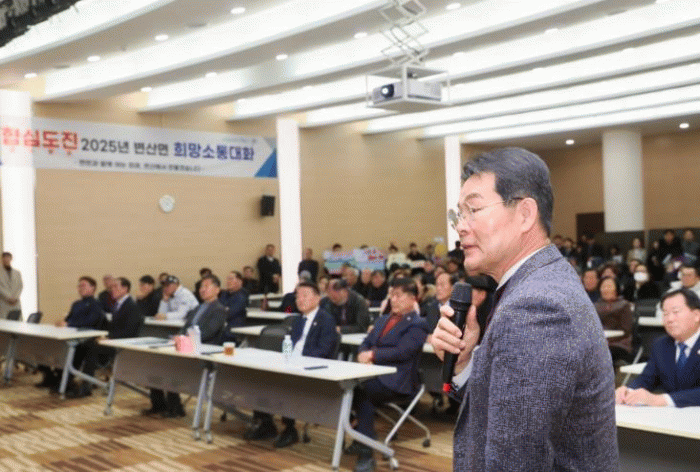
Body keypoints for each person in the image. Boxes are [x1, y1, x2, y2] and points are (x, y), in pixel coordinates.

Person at [430, 148, 618, 471]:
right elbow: (506, 416)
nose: (460, 227)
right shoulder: (535, 285)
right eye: (458, 214)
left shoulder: (537, 307)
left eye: (473, 209)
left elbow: (515, 460)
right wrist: (464, 363)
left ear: (525, 214)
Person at [244, 281, 338, 447]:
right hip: (291, 365)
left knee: (284, 385)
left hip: (310, 370)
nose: (300, 300)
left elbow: (323, 351)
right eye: (297, 296)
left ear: (318, 298)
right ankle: (266, 424)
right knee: (259, 378)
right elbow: (289, 345)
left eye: (305, 296)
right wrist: (284, 358)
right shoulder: (297, 320)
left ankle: (290, 430)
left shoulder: (326, 320)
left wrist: (297, 361)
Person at [349, 278, 429, 472]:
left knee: (362, 392)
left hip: (399, 381)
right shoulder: (383, 319)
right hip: (374, 375)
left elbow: (403, 352)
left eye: (398, 295)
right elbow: (366, 341)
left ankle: (366, 452)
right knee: (348, 388)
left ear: (412, 298)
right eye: (392, 295)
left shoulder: (418, 324)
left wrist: (373, 355)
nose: (393, 299)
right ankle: (364, 436)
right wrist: (362, 353)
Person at [145, 274, 227, 417]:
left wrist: (183, 338)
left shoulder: (219, 309)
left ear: (217, 290)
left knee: (169, 366)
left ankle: (175, 407)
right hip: (187, 347)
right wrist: (178, 336)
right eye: (201, 286)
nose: (202, 289)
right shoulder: (198, 308)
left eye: (206, 286)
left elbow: (207, 333)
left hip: (203, 352)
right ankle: (159, 405)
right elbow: (185, 327)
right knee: (155, 363)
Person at [616, 288, 700, 407]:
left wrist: (662, 400)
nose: (669, 319)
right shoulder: (662, 345)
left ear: (696, 315)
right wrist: (628, 391)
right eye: (665, 314)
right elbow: (647, 379)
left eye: (676, 312)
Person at [68, 277, 143, 398]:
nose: (112, 289)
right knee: (81, 345)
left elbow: (130, 332)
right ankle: (68, 380)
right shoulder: (119, 304)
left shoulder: (131, 306)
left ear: (125, 289)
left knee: (90, 347)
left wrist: (109, 338)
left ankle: (86, 386)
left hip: (121, 344)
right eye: (112, 287)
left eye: (116, 286)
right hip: (112, 341)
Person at [38, 276, 105, 389]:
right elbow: (68, 319)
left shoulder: (96, 304)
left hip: (84, 339)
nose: (80, 288)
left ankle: (64, 379)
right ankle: (50, 376)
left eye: (83, 285)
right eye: (79, 286)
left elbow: (90, 322)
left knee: (66, 349)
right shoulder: (76, 304)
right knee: (43, 345)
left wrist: (68, 324)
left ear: (92, 288)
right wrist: (62, 323)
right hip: (70, 336)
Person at [595, 276, 633, 362]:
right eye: (603, 286)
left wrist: (607, 340)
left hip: (619, 343)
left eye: (609, 286)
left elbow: (626, 330)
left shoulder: (624, 305)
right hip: (598, 342)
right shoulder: (594, 306)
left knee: (602, 352)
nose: (606, 289)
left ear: (616, 289)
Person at [219, 271, 248, 343]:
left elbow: (228, 314)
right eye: (228, 279)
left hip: (232, 331)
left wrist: (223, 309)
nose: (228, 281)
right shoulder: (224, 294)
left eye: (231, 279)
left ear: (240, 282)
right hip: (220, 328)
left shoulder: (242, 295)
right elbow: (217, 309)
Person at [0, 252, 22, 319]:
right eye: (4, 257)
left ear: (11, 259)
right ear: (2, 259)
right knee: (5, 323)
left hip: (16, 303)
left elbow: (20, 286)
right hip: (4, 302)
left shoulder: (17, 273)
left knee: (17, 322)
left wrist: (15, 297)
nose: (6, 259)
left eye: (8, 257)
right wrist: (9, 297)